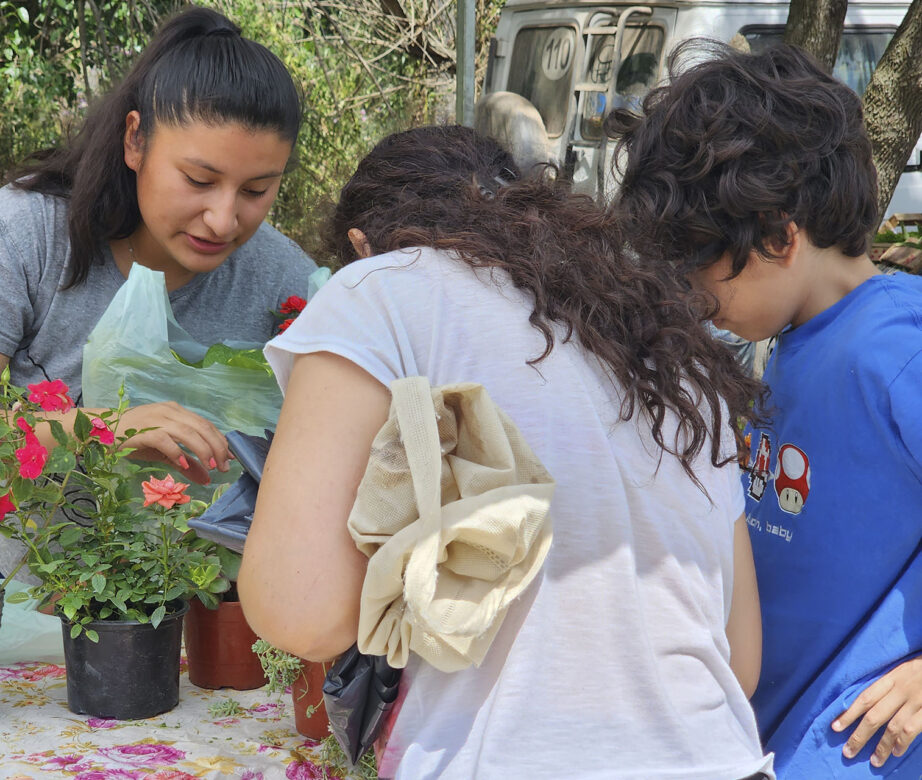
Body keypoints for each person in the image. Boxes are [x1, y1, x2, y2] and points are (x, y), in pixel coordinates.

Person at [238, 125, 774, 778]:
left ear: (362, 245)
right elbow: (739, 657)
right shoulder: (667, 342)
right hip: (721, 759)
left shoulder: (375, 287)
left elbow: (301, 612)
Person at [610, 41, 922, 777]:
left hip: (857, 740)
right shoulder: (791, 336)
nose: (693, 303)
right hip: (774, 730)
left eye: (701, 279)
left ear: (781, 237)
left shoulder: (896, 349)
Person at [0, 6, 317, 486]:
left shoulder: (288, 284)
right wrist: (102, 428)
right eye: (198, 180)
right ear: (135, 140)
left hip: (218, 563)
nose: (222, 220)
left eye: (256, 191)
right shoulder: (27, 235)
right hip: (30, 563)